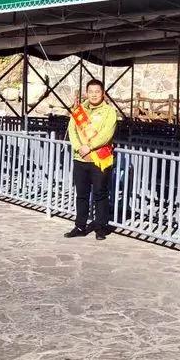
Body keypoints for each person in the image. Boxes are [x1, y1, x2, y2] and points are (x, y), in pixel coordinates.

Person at [65, 79, 117, 240]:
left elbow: (107, 133)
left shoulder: (109, 112)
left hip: (99, 159)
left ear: (103, 93)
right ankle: (80, 226)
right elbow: (72, 130)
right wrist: (78, 147)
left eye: (97, 92)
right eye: (91, 92)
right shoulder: (79, 111)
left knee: (100, 194)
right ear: (86, 93)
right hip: (80, 158)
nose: (94, 95)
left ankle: (101, 227)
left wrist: (90, 146)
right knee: (81, 194)